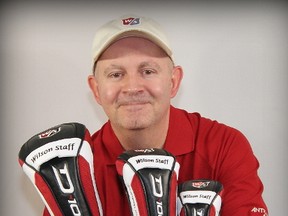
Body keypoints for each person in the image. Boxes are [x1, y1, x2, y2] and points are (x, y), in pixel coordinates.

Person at [43, 14, 268, 215]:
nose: (132, 87)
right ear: (96, 89)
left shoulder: (223, 146)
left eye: (148, 71)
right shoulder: (71, 170)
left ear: (173, 81)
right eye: (115, 74)